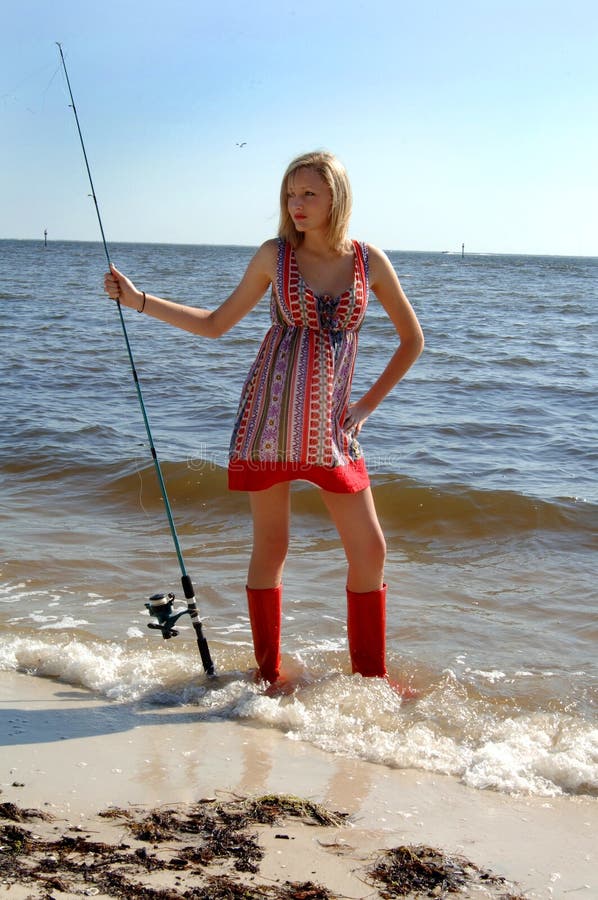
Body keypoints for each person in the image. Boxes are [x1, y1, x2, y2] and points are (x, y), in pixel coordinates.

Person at [104, 150, 424, 687]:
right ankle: (268, 673)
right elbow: (215, 324)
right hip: (270, 416)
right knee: (272, 545)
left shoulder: (369, 260)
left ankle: (370, 682)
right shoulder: (274, 256)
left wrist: (366, 406)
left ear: (336, 198)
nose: (296, 205)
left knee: (370, 549)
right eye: (290, 195)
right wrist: (140, 301)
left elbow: (412, 340)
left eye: (309, 195)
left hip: (332, 430)